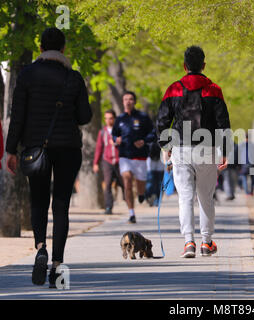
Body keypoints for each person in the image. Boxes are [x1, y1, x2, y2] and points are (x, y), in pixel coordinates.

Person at [5, 27, 92, 288]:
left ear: (41, 48)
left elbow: (17, 115)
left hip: (35, 149)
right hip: (68, 149)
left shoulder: (27, 75)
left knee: (39, 201)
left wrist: (10, 151)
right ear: (63, 49)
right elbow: (84, 117)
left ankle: (40, 247)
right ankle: (56, 265)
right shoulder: (73, 77)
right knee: (62, 204)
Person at [156, 45, 231, 258]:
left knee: (185, 197)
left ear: (184, 65)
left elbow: (162, 121)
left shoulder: (173, 89)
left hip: (181, 149)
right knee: (206, 197)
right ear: (203, 65)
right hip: (206, 149)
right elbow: (223, 123)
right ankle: (206, 242)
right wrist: (224, 150)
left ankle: (188, 242)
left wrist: (166, 147)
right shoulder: (214, 89)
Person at [112, 91, 155, 224]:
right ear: (123, 102)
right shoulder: (119, 119)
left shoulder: (143, 117)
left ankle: (141, 194)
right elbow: (114, 135)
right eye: (125, 99)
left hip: (140, 156)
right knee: (127, 182)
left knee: (140, 185)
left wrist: (144, 140)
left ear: (134, 101)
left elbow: (153, 133)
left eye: (131, 99)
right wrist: (116, 139)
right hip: (125, 155)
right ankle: (131, 213)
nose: (128, 102)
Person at [93, 109, 125, 214]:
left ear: (114, 119)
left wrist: (120, 142)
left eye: (110, 118)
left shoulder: (121, 130)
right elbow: (99, 148)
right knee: (107, 185)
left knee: (124, 182)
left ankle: (128, 202)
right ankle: (108, 207)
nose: (108, 120)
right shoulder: (102, 132)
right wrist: (95, 163)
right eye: (106, 118)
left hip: (119, 160)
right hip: (107, 161)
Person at [144, 142, 164, 207]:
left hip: (161, 157)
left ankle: (157, 200)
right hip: (150, 157)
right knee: (150, 181)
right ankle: (149, 196)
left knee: (160, 182)